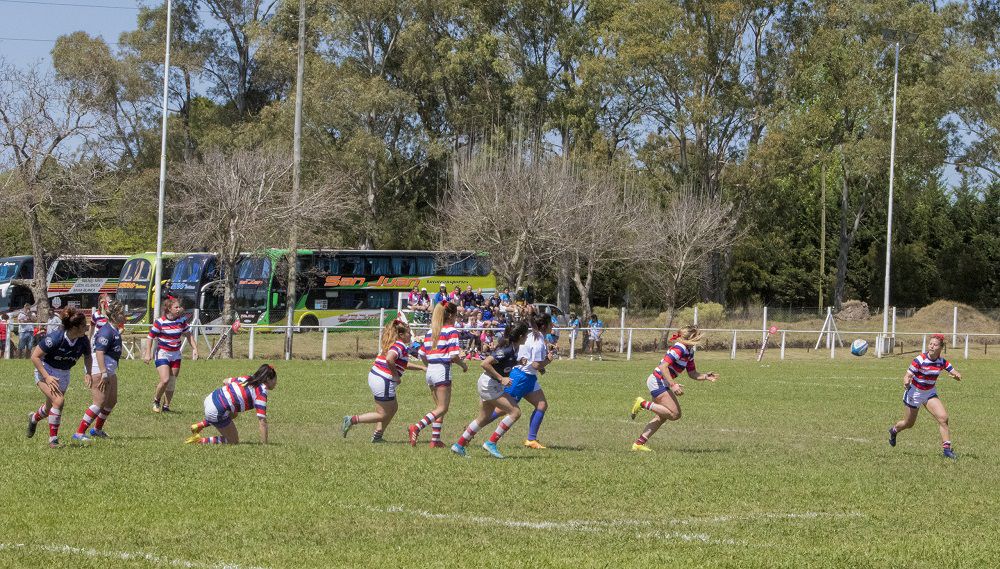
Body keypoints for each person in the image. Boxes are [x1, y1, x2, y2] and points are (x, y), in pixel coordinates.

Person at [629, 326, 719, 452]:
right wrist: (673, 384)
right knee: (675, 414)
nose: (699, 339)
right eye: (697, 336)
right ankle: (642, 403)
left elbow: (692, 373)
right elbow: (663, 366)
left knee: (662, 416)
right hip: (658, 380)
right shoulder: (679, 348)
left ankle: (639, 444)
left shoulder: (689, 351)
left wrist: (705, 376)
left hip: (661, 381)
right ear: (690, 338)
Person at [451, 322, 530, 458]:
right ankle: (491, 443)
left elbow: (503, 362)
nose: (527, 337)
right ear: (521, 336)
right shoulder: (507, 349)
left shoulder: (513, 348)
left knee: (483, 418)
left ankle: (459, 445)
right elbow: (484, 363)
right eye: (526, 334)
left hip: (490, 384)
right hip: (489, 385)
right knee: (515, 412)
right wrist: (501, 379)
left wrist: (517, 362)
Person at [342, 319, 426, 442]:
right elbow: (389, 359)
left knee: (393, 408)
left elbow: (401, 364)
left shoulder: (394, 344)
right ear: (401, 335)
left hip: (376, 376)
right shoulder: (400, 345)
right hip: (383, 380)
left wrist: (422, 368)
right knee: (383, 414)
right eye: (409, 333)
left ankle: (377, 436)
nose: (411, 335)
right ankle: (351, 420)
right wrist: (396, 376)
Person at [25, 307, 93, 448]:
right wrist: (47, 377)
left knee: (50, 407)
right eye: (83, 325)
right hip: (46, 371)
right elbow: (35, 357)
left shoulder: (83, 340)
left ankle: (33, 418)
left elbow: (87, 357)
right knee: (59, 401)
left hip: (64, 373)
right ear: (74, 327)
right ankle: (53, 441)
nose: (86, 327)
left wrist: (88, 372)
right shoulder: (55, 338)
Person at [887, 333, 963, 459]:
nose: (932, 346)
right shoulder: (920, 359)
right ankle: (894, 430)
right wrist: (906, 381)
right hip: (915, 393)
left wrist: (957, 375)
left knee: (943, 418)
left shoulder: (941, 361)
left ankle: (947, 450)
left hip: (929, 393)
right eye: (930, 344)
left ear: (941, 347)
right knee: (908, 423)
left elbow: (952, 370)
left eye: (935, 344)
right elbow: (907, 375)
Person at [408, 301, 468, 447]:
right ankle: (416, 427)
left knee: (438, 407)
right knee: (442, 408)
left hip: (430, 371)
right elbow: (454, 355)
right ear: (451, 315)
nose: (456, 318)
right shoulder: (451, 331)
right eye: (456, 315)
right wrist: (463, 365)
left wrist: (429, 365)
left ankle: (435, 440)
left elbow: (422, 353)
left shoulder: (431, 331)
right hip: (442, 370)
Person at [72, 300, 127, 442]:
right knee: (99, 402)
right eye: (121, 312)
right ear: (114, 315)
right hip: (100, 369)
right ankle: (79, 433)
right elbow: (99, 352)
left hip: (110, 370)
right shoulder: (106, 331)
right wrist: (103, 373)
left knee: (111, 401)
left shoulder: (114, 329)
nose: (125, 315)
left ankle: (97, 430)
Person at [186, 364, 277, 445]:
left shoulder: (248, 378)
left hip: (210, 398)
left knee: (234, 413)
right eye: (275, 380)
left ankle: (199, 425)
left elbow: (225, 381)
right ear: (268, 379)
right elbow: (262, 422)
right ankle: (199, 441)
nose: (276, 383)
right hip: (215, 410)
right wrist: (265, 444)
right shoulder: (261, 393)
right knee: (233, 441)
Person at [144, 297, 198, 412]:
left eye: (179, 307)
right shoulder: (160, 322)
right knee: (165, 380)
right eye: (176, 307)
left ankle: (166, 406)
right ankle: (156, 401)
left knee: (172, 381)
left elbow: (188, 335)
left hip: (176, 354)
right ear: (169, 309)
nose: (179, 309)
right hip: (163, 353)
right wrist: (147, 354)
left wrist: (195, 348)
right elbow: (150, 338)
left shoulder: (181, 320)